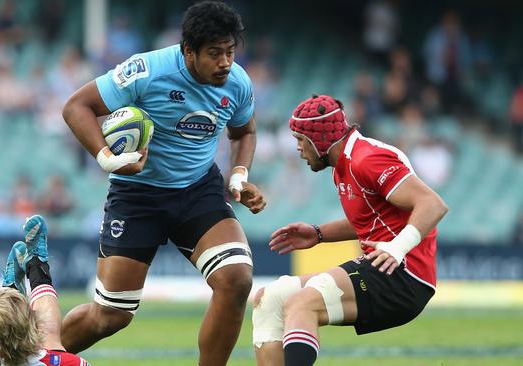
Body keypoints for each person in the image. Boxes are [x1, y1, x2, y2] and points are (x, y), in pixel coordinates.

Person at [60, 2, 266, 365]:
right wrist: (109, 159)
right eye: (214, 53)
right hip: (138, 195)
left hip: (198, 190)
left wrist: (238, 176)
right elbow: (77, 106)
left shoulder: (237, 83)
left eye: (230, 52)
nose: (225, 63)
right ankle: (27, 355)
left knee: (236, 279)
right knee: (111, 316)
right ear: (188, 51)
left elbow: (244, 131)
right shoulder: (146, 70)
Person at [252, 95, 448, 366]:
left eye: (300, 139)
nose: (297, 148)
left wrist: (397, 248)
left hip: (404, 273)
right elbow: (371, 220)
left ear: (318, 139)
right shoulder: (343, 165)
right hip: (381, 266)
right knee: (269, 299)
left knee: (302, 302)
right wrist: (318, 234)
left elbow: (433, 204)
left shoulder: (367, 159)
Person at [0, 215, 90, 366]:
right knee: (50, 341)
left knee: (13, 326)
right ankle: (36, 264)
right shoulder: (71, 363)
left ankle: (12, 294)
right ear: (34, 327)